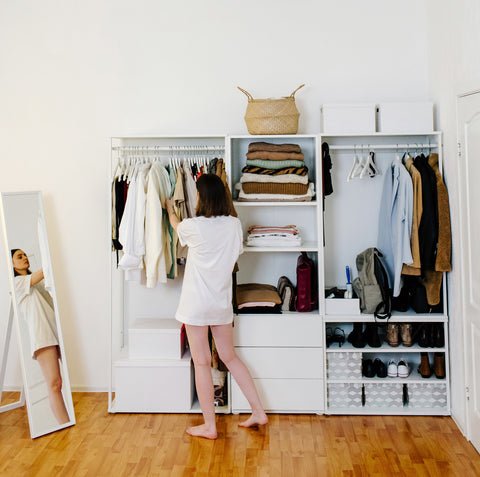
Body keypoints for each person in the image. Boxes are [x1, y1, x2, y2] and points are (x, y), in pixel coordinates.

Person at [166, 174, 267, 439]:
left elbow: (176, 225)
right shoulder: (234, 224)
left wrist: (169, 209)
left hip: (196, 306)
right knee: (230, 357)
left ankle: (210, 426)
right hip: (221, 305)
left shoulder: (193, 226)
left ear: (201, 196)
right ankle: (258, 410)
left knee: (201, 363)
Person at [11, 249, 70, 425]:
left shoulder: (36, 284)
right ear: (12, 264)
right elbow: (44, 271)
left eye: (25, 255)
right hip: (42, 337)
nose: (24, 258)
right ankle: (64, 424)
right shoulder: (18, 282)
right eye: (19, 257)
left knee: (59, 382)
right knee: (54, 384)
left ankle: (67, 421)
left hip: (54, 333)